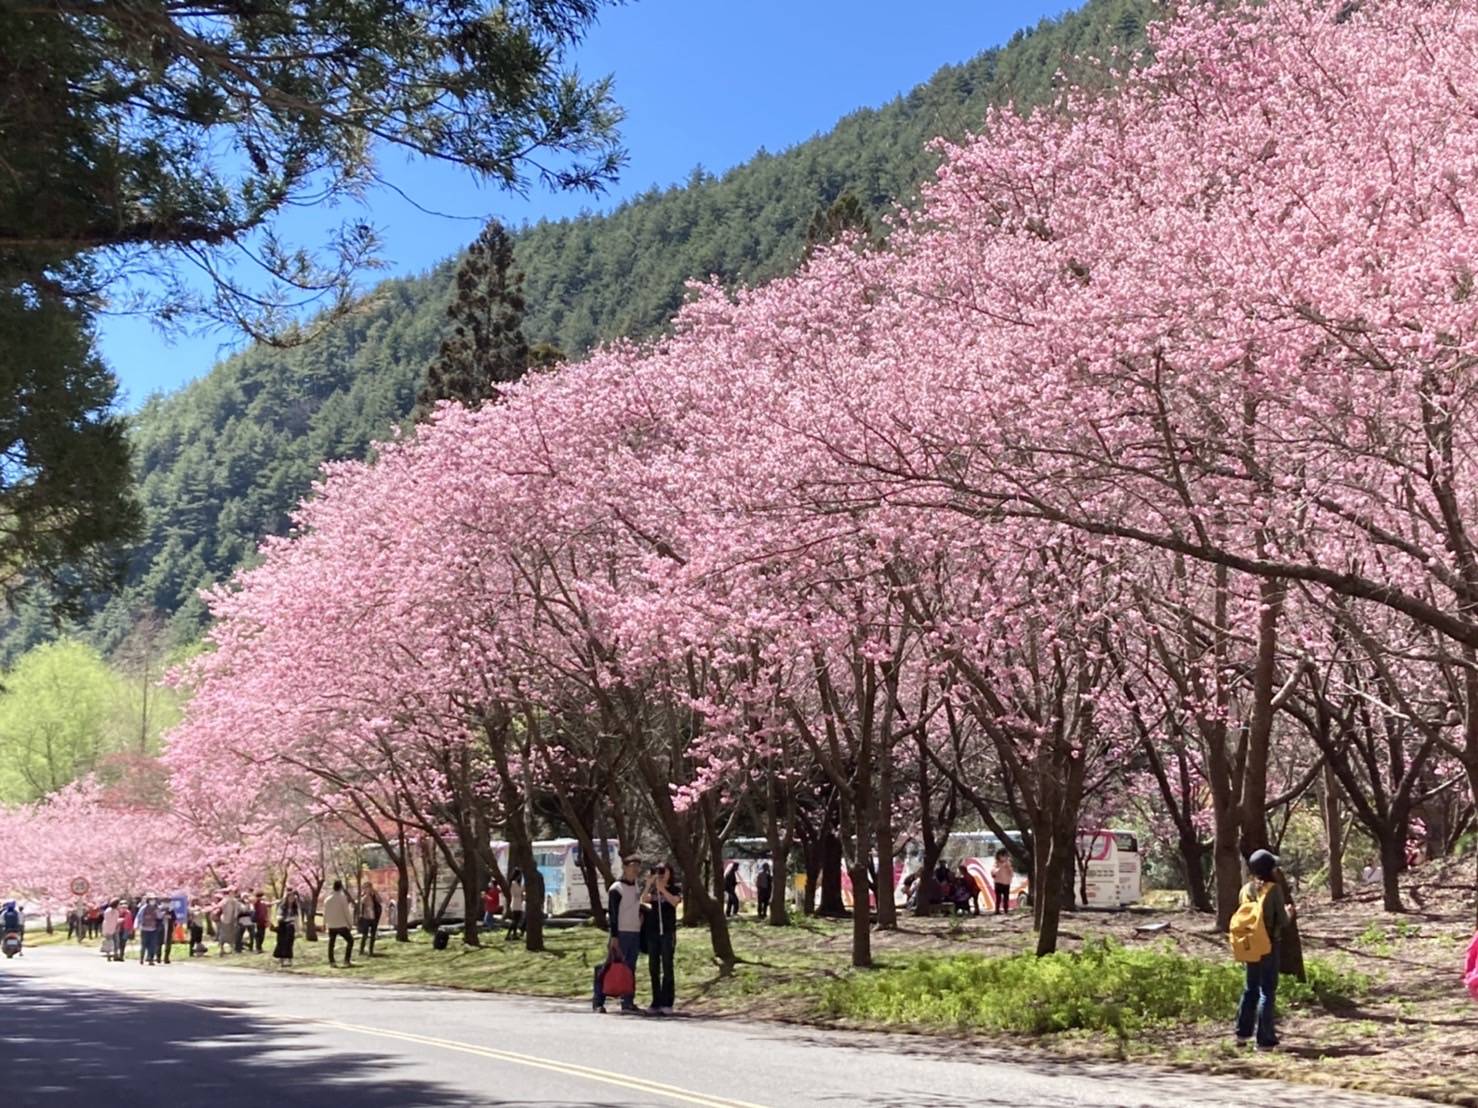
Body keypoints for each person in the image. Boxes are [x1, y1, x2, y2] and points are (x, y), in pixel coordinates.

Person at [1235, 848, 1293, 1051]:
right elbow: (1283, 921)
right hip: (1269, 943)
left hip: (1250, 944)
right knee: (1267, 990)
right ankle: (1265, 1040)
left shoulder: (1246, 889)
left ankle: (1242, 1035)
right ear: (1269, 869)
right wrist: (1289, 912)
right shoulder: (1273, 889)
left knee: (1250, 988)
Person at [593, 854, 643, 1013]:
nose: (635, 870)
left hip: (634, 932)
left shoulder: (635, 886)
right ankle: (598, 1001)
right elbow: (613, 914)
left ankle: (628, 1001)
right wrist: (614, 936)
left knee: (630, 968)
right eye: (632, 866)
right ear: (625, 868)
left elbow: (636, 905)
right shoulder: (616, 889)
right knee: (609, 966)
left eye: (637, 867)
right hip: (620, 933)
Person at [642, 862, 683, 1016]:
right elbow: (644, 899)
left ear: (669, 873)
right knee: (653, 967)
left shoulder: (675, 888)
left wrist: (662, 890)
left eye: (663, 871)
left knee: (667, 966)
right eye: (658, 871)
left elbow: (674, 901)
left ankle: (667, 1002)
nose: (660, 874)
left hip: (667, 932)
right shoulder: (653, 889)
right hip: (653, 932)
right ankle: (656, 1001)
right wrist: (649, 884)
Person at [324, 879, 355, 967]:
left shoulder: (328, 899)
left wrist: (325, 923)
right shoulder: (342, 898)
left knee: (331, 943)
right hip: (341, 924)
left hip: (331, 925)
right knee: (350, 941)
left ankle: (332, 961)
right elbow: (346, 912)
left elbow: (325, 912)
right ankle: (346, 960)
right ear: (341, 887)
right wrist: (350, 923)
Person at [273, 889, 301, 966]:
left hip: (290, 926)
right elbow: (278, 916)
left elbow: (297, 919)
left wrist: (298, 931)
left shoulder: (295, 908)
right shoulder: (282, 906)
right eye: (290, 897)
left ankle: (289, 959)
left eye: (293, 897)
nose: (292, 899)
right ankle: (281, 960)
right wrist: (282, 918)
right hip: (282, 926)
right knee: (281, 942)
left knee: (289, 943)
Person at [137, 897, 162, 965]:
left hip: (153, 929)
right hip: (144, 928)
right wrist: (138, 925)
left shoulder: (157, 908)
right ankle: (141, 958)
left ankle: (151, 959)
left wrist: (159, 912)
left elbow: (159, 916)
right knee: (144, 944)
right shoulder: (144, 908)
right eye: (151, 900)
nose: (153, 901)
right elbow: (139, 916)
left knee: (152, 945)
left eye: (154, 900)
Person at [358, 884, 382, 956]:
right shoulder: (364, 897)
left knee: (373, 935)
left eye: (369, 888)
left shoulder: (374, 896)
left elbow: (380, 900)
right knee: (364, 935)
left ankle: (371, 950)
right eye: (367, 888)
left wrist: (375, 893)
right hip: (366, 918)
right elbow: (361, 905)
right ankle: (361, 950)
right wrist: (366, 895)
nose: (368, 890)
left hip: (373, 918)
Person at [215, 889, 239, 956]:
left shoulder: (235, 901)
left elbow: (236, 911)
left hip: (231, 921)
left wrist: (235, 918)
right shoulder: (225, 900)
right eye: (231, 893)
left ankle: (232, 949)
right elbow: (219, 906)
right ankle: (222, 949)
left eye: (233, 893)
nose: (232, 894)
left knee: (232, 935)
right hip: (224, 920)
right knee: (223, 935)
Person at [504, 869, 526, 941]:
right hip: (515, 903)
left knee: (517, 920)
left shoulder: (517, 883)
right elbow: (517, 893)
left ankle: (514, 934)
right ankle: (508, 934)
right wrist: (522, 889)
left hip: (518, 903)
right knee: (515, 920)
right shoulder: (513, 883)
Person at [991, 850, 1014, 914]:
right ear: (998, 856)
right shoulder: (996, 863)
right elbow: (993, 872)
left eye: (1005, 855)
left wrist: (1008, 867)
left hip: (1006, 883)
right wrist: (1001, 867)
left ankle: (1006, 910)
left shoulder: (1008, 864)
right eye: (1002, 855)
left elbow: (1012, 874)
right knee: (998, 897)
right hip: (998, 883)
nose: (1004, 857)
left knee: (1006, 897)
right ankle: (997, 910)